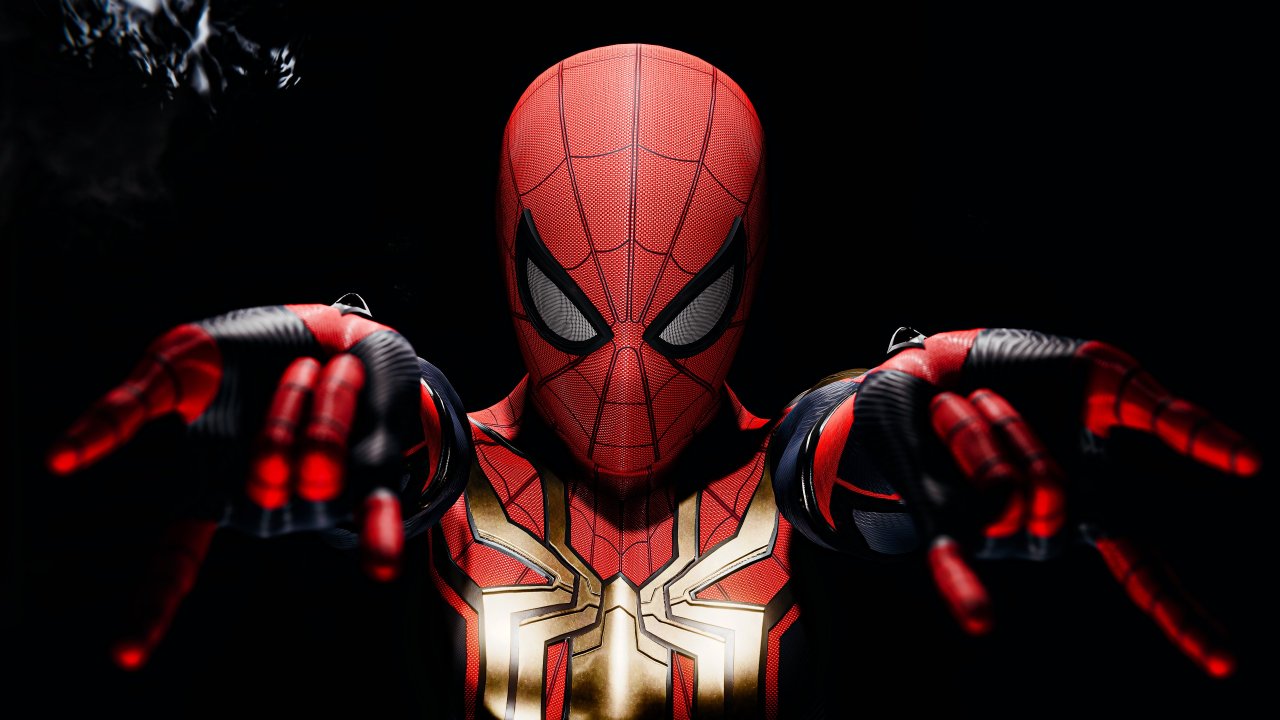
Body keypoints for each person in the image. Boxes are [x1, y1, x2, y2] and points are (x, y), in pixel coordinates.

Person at [48, 45, 1258, 719]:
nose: (624, 367)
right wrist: (357, 399)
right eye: (571, 311)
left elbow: (842, 461)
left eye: (683, 316)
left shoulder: (801, 469)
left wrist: (917, 428)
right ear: (512, 265)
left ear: (749, 271)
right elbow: (414, 449)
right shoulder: (432, 461)